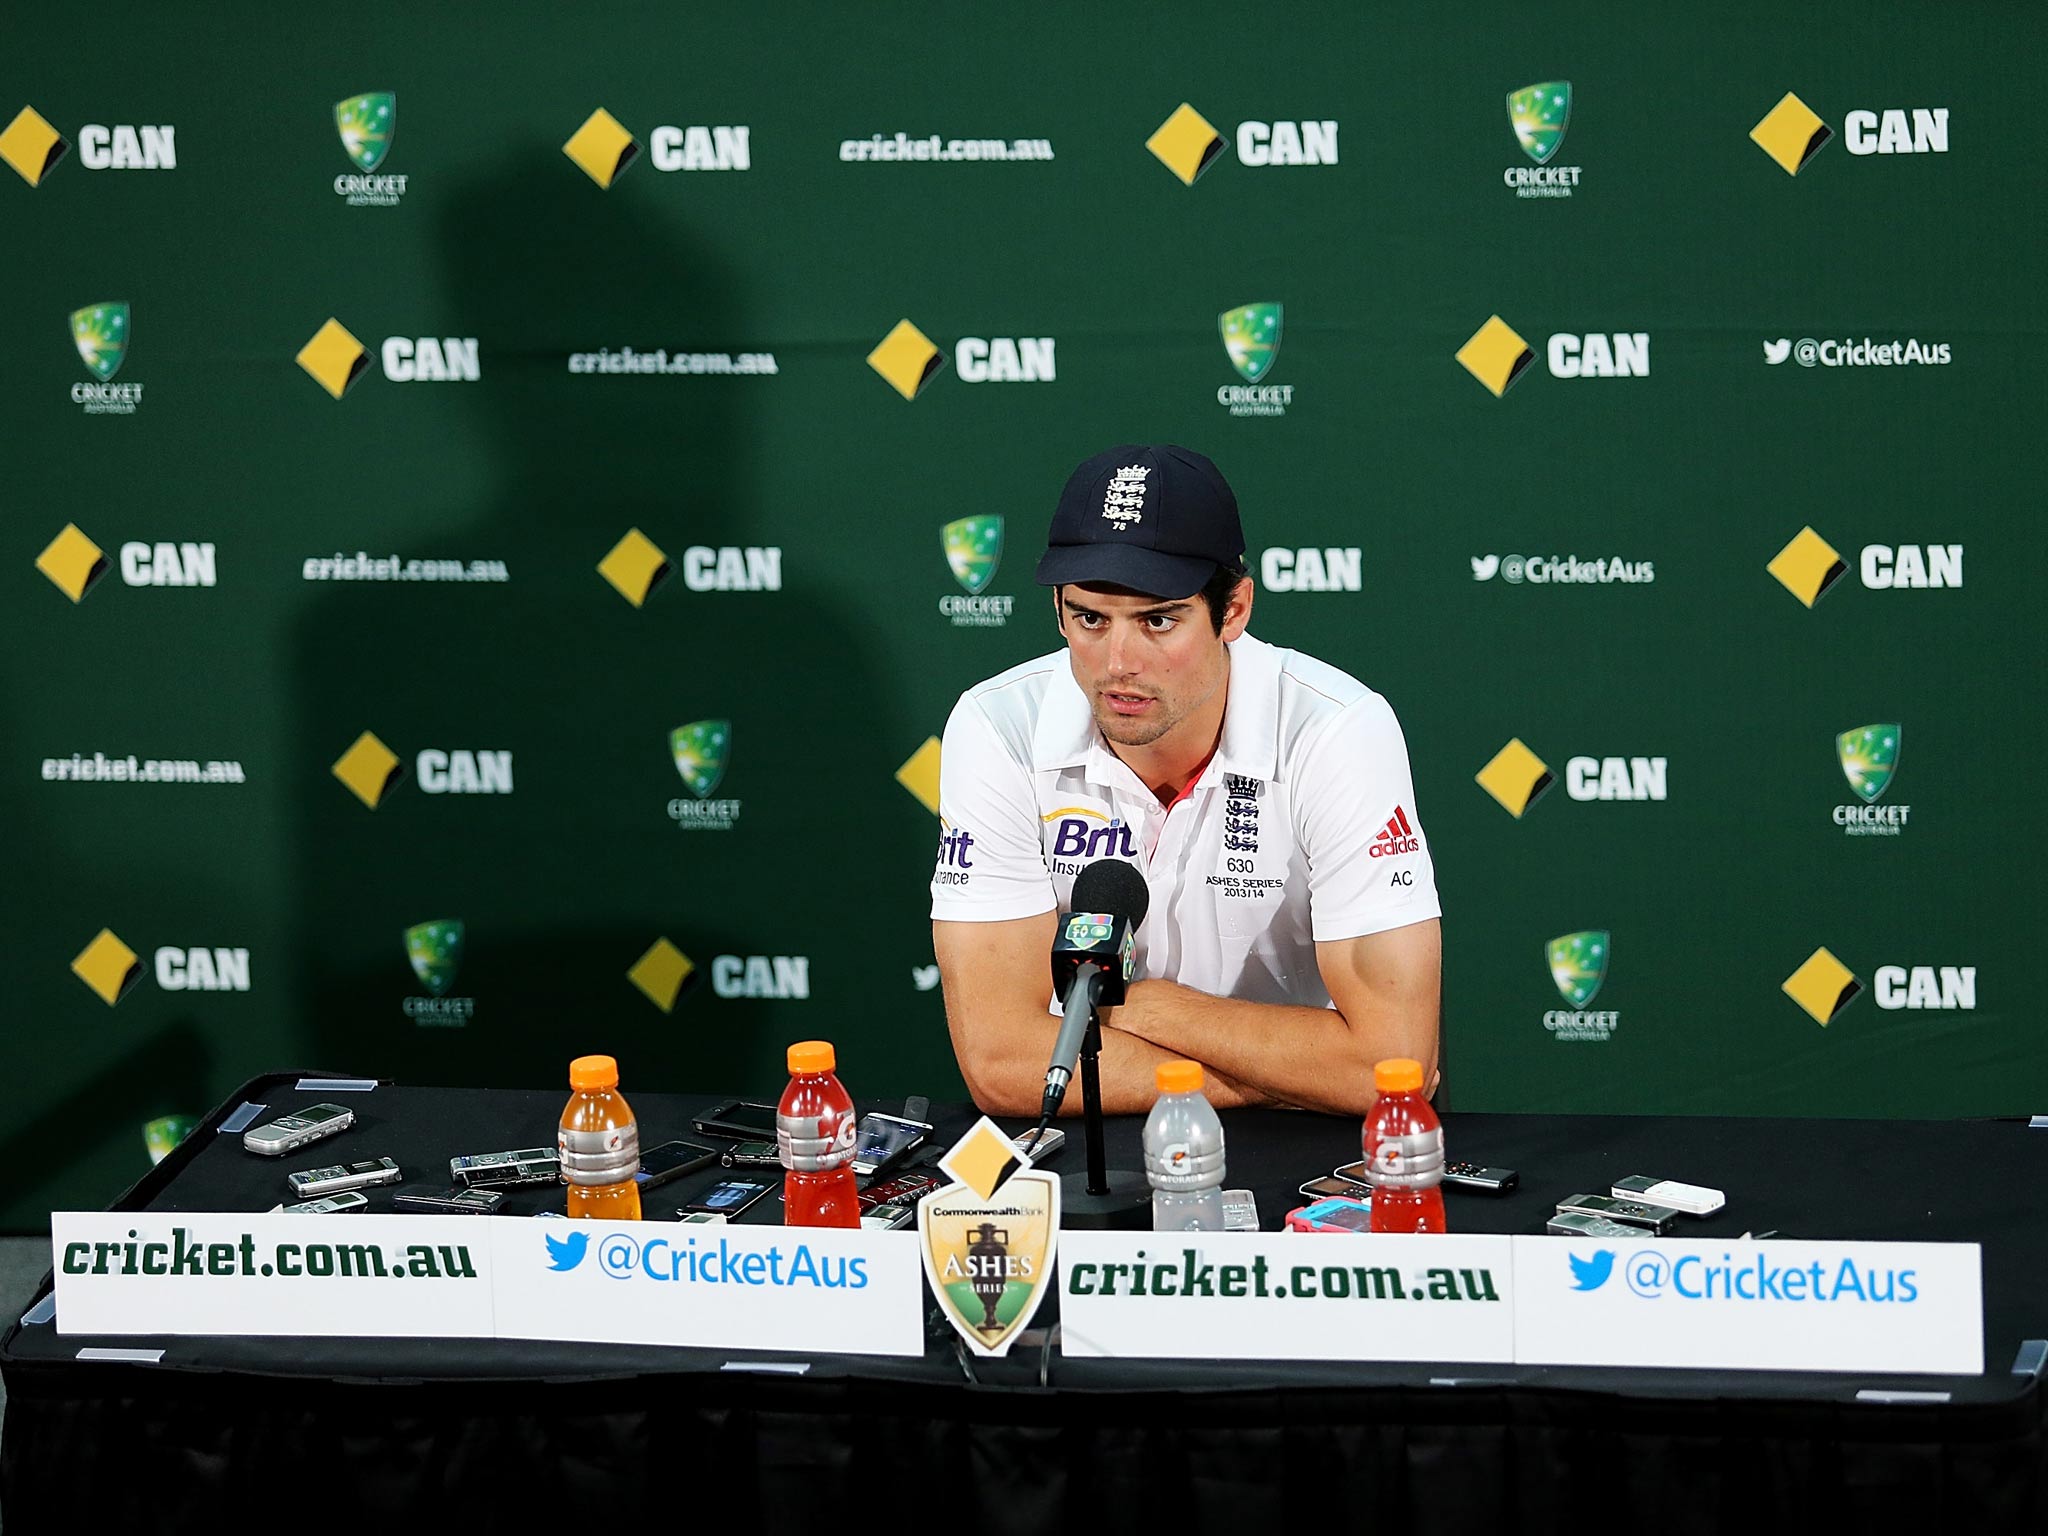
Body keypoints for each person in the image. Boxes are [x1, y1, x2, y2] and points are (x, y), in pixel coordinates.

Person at [930, 444, 1442, 1117]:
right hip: (1118, 1127)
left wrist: (1136, 1004)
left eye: (1158, 621)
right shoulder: (999, 727)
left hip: (1308, 1146)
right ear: (1058, 609)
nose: (1119, 663)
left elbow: (1393, 1065)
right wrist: (1298, 1073)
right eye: (1090, 619)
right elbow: (1002, 1063)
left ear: (1233, 610)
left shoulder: (1337, 730)